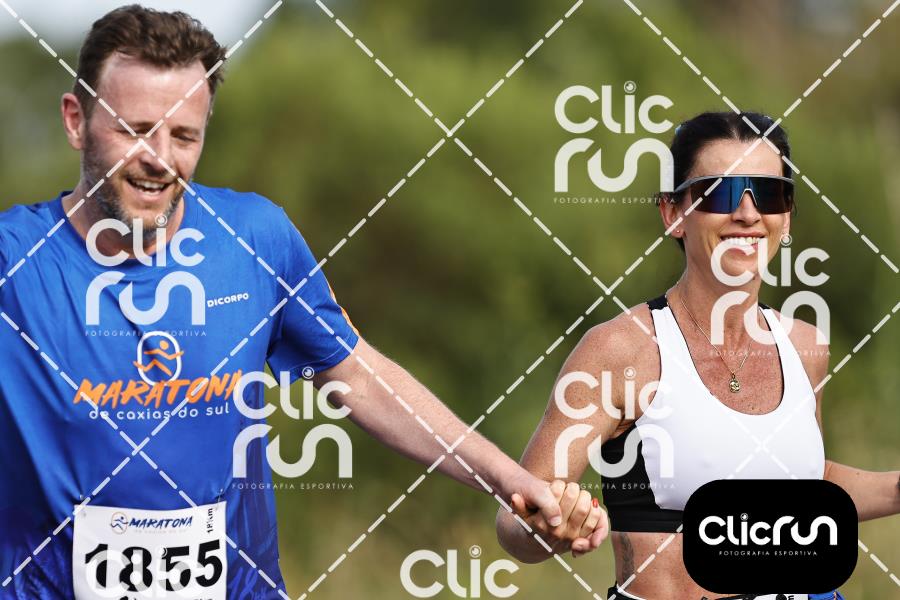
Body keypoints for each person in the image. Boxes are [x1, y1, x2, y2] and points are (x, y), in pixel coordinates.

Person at [0, 6, 608, 598]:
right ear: (76, 120)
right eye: (134, 130)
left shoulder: (255, 237)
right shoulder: (15, 261)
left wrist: (510, 481)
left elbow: (359, 378)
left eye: (184, 135)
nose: (159, 158)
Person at [496, 111, 900, 599]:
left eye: (769, 194)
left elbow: (808, 484)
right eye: (721, 193)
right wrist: (549, 524)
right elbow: (516, 521)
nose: (748, 214)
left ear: (787, 216)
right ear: (674, 214)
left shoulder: (804, 344)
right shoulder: (622, 349)